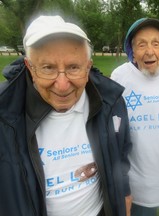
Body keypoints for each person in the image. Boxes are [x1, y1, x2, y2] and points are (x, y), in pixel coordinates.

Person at [0, 15, 132, 216]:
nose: (62, 85)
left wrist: (125, 204)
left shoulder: (111, 103)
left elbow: (120, 162)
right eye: (48, 68)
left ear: (88, 67)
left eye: (73, 67)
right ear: (30, 68)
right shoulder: (4, 116)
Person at [111, 18, 159, 216]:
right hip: (137, 189)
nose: (149, 51)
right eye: (141, 44)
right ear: (132, 51)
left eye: (156, 43)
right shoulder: (119, 78)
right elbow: (114, 136)